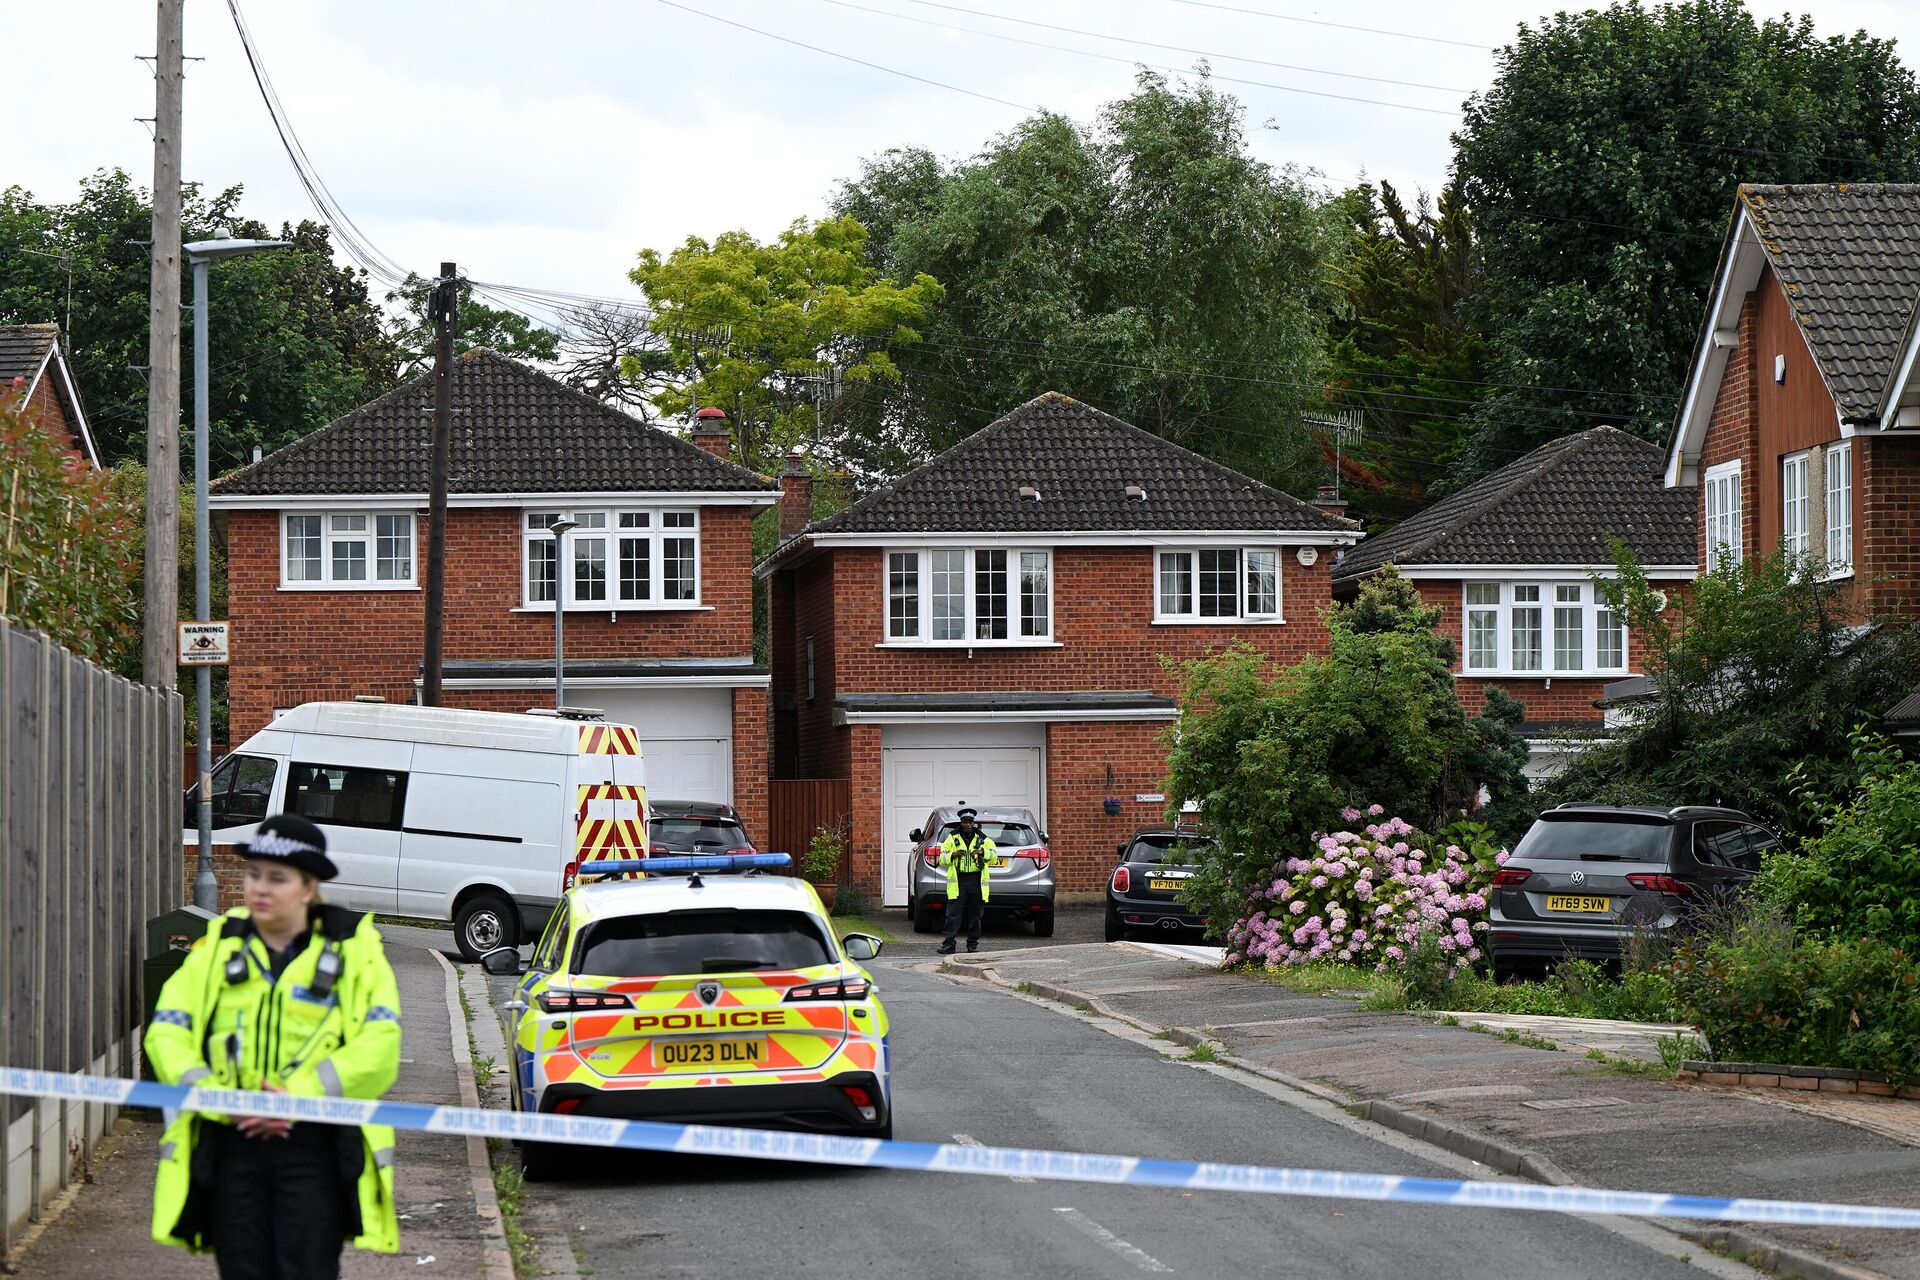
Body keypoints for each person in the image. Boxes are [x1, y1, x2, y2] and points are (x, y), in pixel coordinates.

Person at [146, 813, 403, 1279]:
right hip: (231, 1142)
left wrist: (300, 1098)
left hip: (314, 1148)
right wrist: (215, 1097)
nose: (260, 888)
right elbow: (167, 1030)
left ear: (309, 888)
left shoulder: (354, 951)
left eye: (277, 879)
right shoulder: (219, 947)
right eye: (254, 875)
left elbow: (380, 1044)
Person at [936, 806, 997, 955]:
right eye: (965, 821)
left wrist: (982, 852)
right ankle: (949, 944)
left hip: (976, 880)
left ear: (974, 822)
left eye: (970, 821)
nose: (968, 824)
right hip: (958, 879)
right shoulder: (952, 838)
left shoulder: (983, 839)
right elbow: (942, 859)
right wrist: (953, 855)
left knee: (975, 914)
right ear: (961, 822)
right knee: (952, 914)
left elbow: (994, 857)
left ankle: (973, 944)